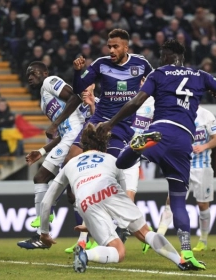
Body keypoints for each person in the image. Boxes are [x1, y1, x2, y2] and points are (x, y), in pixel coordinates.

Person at [97, 39, 216, 267]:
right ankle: (187, 253)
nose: (160, 59)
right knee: (178, 202)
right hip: (184, 141)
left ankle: (137, 145)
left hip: (160, 130)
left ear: (169, 55)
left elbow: (136, 102)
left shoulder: (159, 74)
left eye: (162, 55)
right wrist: (213, 92)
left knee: (122, 163)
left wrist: (111, 123)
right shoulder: (200, 75)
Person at [38, 123, 205, 272]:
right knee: (145, 233)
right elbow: (123, 196)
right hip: (111, 191)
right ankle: (180, 260)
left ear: (83, 144)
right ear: (105, 144)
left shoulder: (70, 164)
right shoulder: (112, 159)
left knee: (117, 250)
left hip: (86, 201)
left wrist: (44, 232)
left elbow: (47, 201)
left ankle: (85, 254)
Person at [62, 29, 153, 250]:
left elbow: (157, 83)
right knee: (69, 162)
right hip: (98, 121)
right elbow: (79, 88)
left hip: (120, 125)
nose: (110, 50)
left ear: (126, 47)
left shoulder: (141, 65)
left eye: (115, 46)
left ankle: (100, 220)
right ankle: (82, 207)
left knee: (107, 173)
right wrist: (78, 71)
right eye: (109, 46)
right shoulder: (101, 64)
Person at [16, 61, 86, 249]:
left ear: (45, 72)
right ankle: (44, 228)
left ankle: (44, 227)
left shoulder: (51, 82)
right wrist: (41, 151)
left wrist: (55, 124)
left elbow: (76, 96)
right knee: (46, 181)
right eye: (27, 74)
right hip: (66, 138)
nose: (30, 76)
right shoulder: (43, 101)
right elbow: (62, 130)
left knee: (65, 188)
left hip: (77, 137)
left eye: (34, 72)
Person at [156, 106, 216, 253]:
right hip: (182, 165)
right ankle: (159, 236)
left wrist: (204, 146)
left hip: (202, 166)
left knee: (203, 204)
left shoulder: (206, 115)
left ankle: (203, 240)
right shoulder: (178, 113)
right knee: (170, 200)